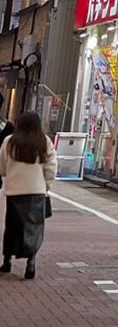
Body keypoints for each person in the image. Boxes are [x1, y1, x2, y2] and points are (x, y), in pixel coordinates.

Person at [0, 111, 57, 279]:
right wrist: (46, 185)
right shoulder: (44, 141)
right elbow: (51, 166)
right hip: (36, 192)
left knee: (12, 227)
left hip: (15, 192)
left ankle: (7, 261)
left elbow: (1, 166)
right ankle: (31, 262)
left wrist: (9, 175)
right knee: (33, 229)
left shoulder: (10, 141)